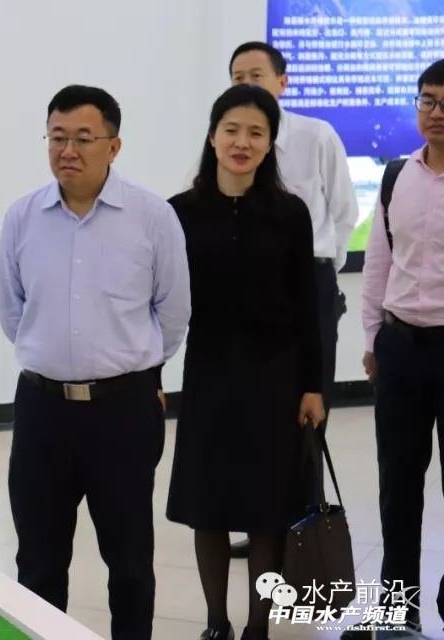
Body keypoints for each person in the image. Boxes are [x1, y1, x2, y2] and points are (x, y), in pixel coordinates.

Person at [0, 85, 191, 640]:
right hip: (42, 410)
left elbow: (173, 311)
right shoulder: (22, 217)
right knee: (38, 563)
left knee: (129, 563)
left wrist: (137, 370)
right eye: (57, 137)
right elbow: (11, 309)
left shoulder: (152, 217)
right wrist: (52, 355)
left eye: (83, 138)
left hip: (122, 411)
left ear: (114, 146)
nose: (68, 151)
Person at [165, 84, 325, 640]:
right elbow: (158, 302)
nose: (242, 142)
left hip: (275, 378)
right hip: (208, 375)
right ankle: (217, 623)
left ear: (270, 143)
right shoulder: (178, 213)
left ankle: (259, 626)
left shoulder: (290, 212)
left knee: (267, 510)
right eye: (231, 130)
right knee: (207, 505)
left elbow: (308, 305)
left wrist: (313, 386)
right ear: (212, 137)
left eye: (256, 132)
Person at [227, 41, 357, 560]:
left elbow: (344, 211)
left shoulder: (315, 135)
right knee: (254, 407)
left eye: (256, 75)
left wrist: (320, 270)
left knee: (308, 408)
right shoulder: (229, 142)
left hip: (310, 280)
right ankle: (260, 522)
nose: (246, 85)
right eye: (237, 77)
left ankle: (304, 529)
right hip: (249, 284)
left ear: (282, 82)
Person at [352, 59, 444, 636]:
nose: (436, 113)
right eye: (428, 100)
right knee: (398, 488)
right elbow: (378, 265)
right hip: (402, 348)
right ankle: (397, 611)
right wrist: (372, 339)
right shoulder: (395, 176)